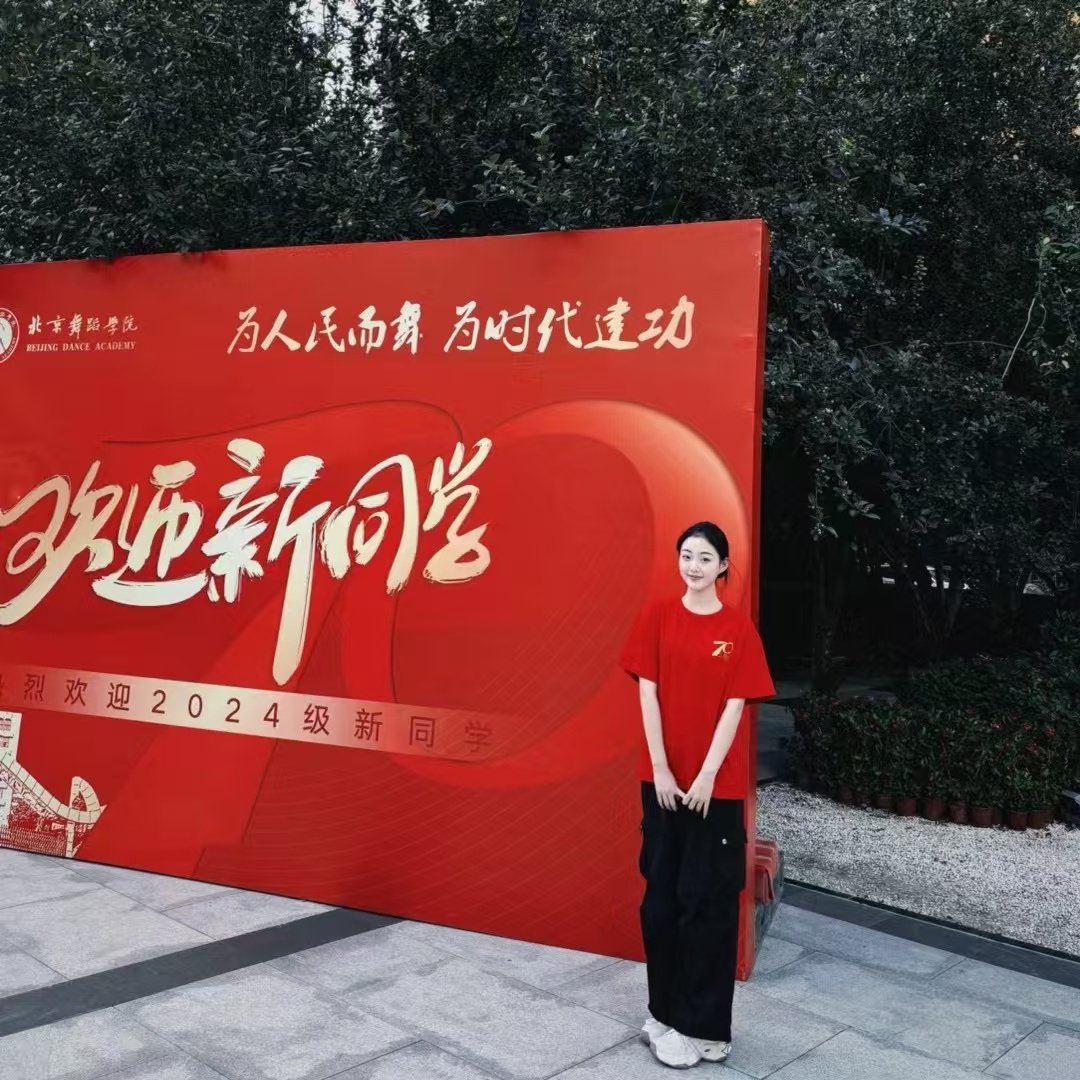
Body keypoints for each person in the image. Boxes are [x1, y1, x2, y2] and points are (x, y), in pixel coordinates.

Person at [619, 521, 775, 1069]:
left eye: (705, 558)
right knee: (661, 901)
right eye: (686, 555)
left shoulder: (737, 629)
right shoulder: (657, 616)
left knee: (706, 904)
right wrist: (662, 769)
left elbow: (735, 707)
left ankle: (706, 1026)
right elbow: (648, 694)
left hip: (716, 789)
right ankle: (662, 1016)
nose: (694, 566)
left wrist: (707, 775)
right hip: (662, 784)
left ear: (723, 566)